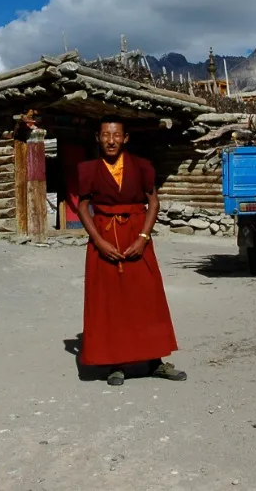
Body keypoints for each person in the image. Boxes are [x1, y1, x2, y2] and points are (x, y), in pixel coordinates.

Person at [76, 116, 186, 386]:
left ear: (125, 138)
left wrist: (143, 237)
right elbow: (82, 206)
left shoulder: (142, 166)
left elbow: (153, 203)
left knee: (147, 297)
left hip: (137, 235)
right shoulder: (89, 169)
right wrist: (99, 242)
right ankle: (116, 363)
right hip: (104, 237)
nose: (110, 141)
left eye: (116, 135)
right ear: (97, 138)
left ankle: (155, 362)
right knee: (110, 300)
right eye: (105, 135)